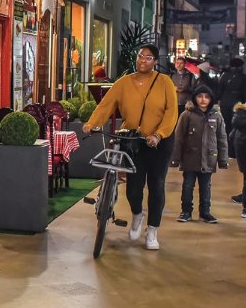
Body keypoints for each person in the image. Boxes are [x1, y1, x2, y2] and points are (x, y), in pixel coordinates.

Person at [83, 43, 179, 250]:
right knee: (134, 186)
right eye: (140, 56)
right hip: (134, 140)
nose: (142, 60)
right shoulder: (124, 82)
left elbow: (172, 112)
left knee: (156, 185)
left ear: (155, 62)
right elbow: (106, 105)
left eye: (148, 57)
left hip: (159, 141)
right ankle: (137, 214)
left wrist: (159, 134)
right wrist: (92, 123)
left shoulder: (165, 83)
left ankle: (152, 230)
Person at [171, 85, 228, 223]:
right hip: (190, 157)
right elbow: (178, 138)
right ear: (194, 98)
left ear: (211, 99)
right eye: (200, 96)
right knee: (188, 185)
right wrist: (175, 159)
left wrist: (223, 160)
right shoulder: (186, 115)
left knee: (206, 187)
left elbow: (222, 138)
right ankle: (186, 211)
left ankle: (205, 212)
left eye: (207, 97)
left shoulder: (217, 116)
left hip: (208, 159)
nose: (203, 100)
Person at [216, 58, 246, 132]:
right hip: (238, 104)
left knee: (226, 123)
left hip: (225, 103)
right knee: (236, 124)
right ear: (240, 67)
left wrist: (218, 100)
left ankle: (226, 139)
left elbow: (219, 91)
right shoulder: (244, 77)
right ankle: (233, 139)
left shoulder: (224, 76)